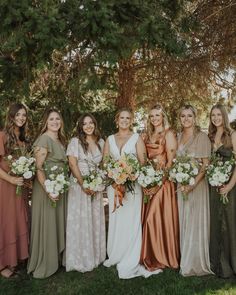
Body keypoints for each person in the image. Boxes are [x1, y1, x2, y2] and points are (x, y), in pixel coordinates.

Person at [103, 108, 162, 279]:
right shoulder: (109, 139)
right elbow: (106, 162)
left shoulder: (137, 138)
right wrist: (114, 175)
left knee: (131, 221)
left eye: (128, 118)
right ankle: (116, 254)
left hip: (133, 188)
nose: (125, 120)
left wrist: (130, 174)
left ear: (131, 121)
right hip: (114, 187)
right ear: (117, 119)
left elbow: (143, 163)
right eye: (122, 117)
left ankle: (130, 255)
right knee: (116, 220)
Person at [27, 108, 67, 278]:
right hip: (47, 188)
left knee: (56, 221)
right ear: (46, 122)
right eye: (51, 119)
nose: (55, 122)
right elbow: (39, 168)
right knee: (48, 222)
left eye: (58, 119)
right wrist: (49, 190)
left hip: (60, 186)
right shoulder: (44, 139)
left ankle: (56, 258)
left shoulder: (60, 139)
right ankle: (46, 261)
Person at [140, 104, 180, 271]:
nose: (155, 118)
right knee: (149, 218)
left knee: (154, 219)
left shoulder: (169, 133)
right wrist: (147, 181)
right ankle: (151, 254)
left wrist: (159, 182)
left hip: (164, 183)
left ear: (163, 116)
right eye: (152, 116)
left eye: (157, 115)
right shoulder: (147, 135)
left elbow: (170, 162)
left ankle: (163, 256)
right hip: (150, 180)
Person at [66, 113, 106, 272]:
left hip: (95, 186)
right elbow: (72, 164)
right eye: (85, 124)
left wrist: (98, 182)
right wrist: (83, 184)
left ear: (95, 124)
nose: (88, 126)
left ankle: (96, 255)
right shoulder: (75, 141)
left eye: (91, 123)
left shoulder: (101, 142)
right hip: (79, 185)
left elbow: (103, 164)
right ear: (80, 127)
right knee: (81, 220)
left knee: (94, 219)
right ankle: (80, 257)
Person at [177, 105, 212, 276]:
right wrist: (181, 180)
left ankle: (195, 261)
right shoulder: (178, 136)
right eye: (183, 116)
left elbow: (205, 166)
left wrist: (192, 184)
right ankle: (185, 256)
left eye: (189, 116)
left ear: (195, 117)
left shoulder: (202, 137)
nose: (186, 119)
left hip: (196, 186)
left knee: (194, 221)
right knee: (184, 220)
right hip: (181, 186)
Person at [0, 103, 29, 278]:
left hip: (20, 186)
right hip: (6, 186)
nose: (21, 118)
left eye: (24, 115)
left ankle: (16, 258)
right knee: (6, 222)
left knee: (19, 220)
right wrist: (11, 178)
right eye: (18, 114)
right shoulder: (2, 135)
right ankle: (3, 264)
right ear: (11, 116)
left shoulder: (24, 138)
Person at [208, 104, 236, 278]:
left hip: (230, 187)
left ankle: (230, 263)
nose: (216, 118)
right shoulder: (210, 135)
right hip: (214, 186)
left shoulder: (233, 134)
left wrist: (229, 186)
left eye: (219, 114)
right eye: (213, 115)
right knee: (216, 223)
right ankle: (216, 262)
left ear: (224, 116)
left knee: (229, 223)